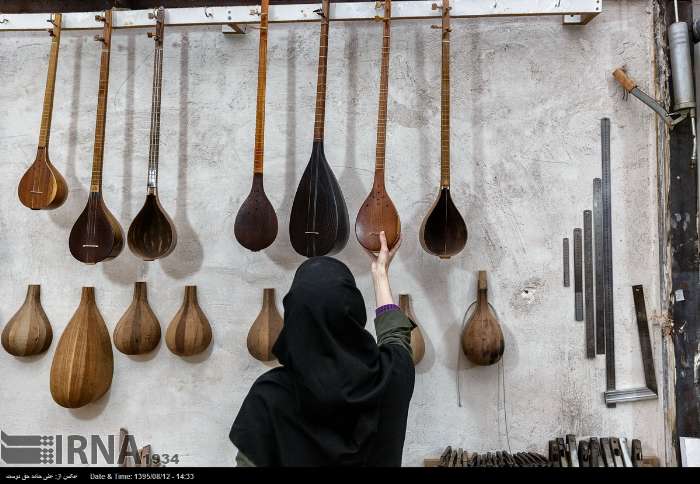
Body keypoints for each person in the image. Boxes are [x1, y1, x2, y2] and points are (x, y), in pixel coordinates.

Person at [229, 231, 416, 466]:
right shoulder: (389, 378)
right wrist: (380, 274)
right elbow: (395, 335)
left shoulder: (269, 396)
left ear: (294, 318)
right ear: (354, 312)